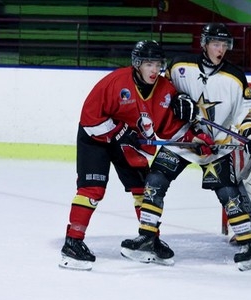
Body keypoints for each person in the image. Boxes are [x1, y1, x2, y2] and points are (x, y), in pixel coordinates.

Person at [120, 22, 251, 271]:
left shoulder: (235, 77)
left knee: (228, 193)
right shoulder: (179, 66)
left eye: (224, 45)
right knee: (155, 180)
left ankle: (247, 243)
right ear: (205, 44)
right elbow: (163, 92)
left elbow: (245, 114)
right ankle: (147, 235)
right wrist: (177, 100)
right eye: (216, 44)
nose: (221, 50)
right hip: (182, 140)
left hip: (216, 147)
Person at [59, 40, 187, 271]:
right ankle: (73, 243)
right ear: (137, 64)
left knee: (144, 189)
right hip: (96, 138)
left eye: (158, 64)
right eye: (149, 64)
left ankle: (149, 239)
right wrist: (118, 132)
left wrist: (197, 138)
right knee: (92, 191)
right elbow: (90, 117)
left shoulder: (166, 90)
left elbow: (171, 129)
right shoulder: (116, 82)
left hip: (130, 140)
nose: (154, 70)